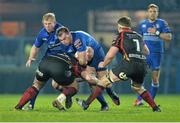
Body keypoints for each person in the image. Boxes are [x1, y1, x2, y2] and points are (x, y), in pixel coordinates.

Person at [76, 16, 161, 112]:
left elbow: (110, 55)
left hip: (129, 65)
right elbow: (147, 52)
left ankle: (86, 104)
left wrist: (103, 64)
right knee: (138, 88)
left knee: (103, 81)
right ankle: (155, 108)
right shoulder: (138, 36)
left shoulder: (120, 36)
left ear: (120, 27)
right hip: (143, 66)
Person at [54, 27, 120, 109]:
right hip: (85, 60)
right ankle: (104, 105)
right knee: (92, 83)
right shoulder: (63, 45)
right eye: (61, 40)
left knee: (102, 79)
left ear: (69, 34)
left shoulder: (78, 39)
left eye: (64, 38)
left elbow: (83, 61)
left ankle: (111, 93)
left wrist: (82, 72)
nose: (63, 41)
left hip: (97, 57)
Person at [15, 52, 86, 110]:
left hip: (44, 62)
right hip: (59, 66)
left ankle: (19, 106)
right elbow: (77, 74)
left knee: (36, 86)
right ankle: (59, 100)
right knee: (75, 86)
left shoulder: (61, 51)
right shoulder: (77, 61)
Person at [23, 12, 65, 110]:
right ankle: (30, 105)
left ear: (54, 23)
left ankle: (67, 95)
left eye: (49, 24)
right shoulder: (42, 33)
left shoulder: (62, 30)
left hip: (61, 60)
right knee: (37, 83)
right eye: (45, 24)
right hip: (48, 59)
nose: (47, 26)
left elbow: (69, 44)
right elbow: (35, 46)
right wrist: (31, 58)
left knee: (55, 84)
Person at [134, 4, 172, 106]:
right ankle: (139, 100)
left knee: (155, 80)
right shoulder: (142, 24)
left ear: (157, 13)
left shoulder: (162, 23)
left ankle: (151, 102)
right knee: (140, 78)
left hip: (157, 54)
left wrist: (157, 33)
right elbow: (139, 39)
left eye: (154, 11)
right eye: (151, 11)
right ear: (147, 12)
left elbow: (169, 37)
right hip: (145, 54)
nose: (152, 13)